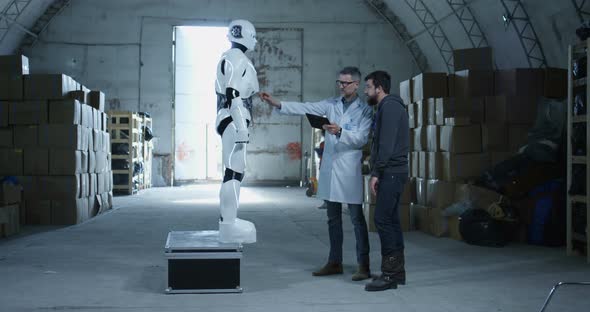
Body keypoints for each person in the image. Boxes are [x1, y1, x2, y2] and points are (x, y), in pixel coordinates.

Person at [260, 67, 373, 281]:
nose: (341, 86)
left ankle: (363, 265)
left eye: (346, 83)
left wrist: (340, 131)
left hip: (349, 169)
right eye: (339, 82)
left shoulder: (365, 110)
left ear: (356, 85)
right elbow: (306, 106)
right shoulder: (331, 104)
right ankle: (334, 262)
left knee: (357, 219)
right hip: (331, 168)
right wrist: (278, 103)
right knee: (333, 219)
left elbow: (361, 139)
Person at [214, 19, 259, 244]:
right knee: (234, 172)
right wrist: (242, 126)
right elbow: (233, 93)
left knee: (233, 172)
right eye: (254, 36)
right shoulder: (238, 59)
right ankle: (229, 225)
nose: (256, 40)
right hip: (234, 118)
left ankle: (228, 222)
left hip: (229, 117)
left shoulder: (228, 56)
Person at [363, 71, 409, 291]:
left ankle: (390, 275)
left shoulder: (389, 107)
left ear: (379, 87)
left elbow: (386, 145)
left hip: (391, 172)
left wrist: (376, 173)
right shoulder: (387, 107)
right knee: (390, 220)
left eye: (368, 87)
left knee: (382, 219)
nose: (366, 91)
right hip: (393, 172)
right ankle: (397, 273)